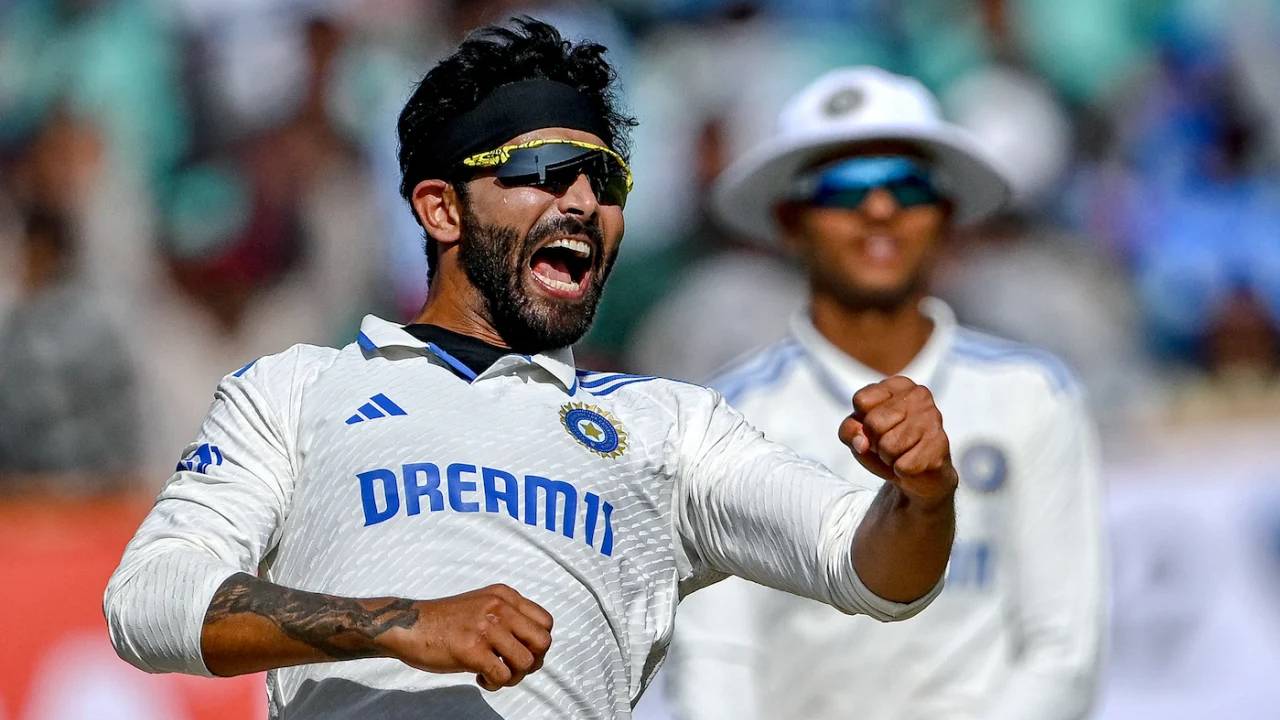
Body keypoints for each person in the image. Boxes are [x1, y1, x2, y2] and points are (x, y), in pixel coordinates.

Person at [104, 21, 962, 720]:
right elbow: (148, 600)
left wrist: (922, 496)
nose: (583, 201)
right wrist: (398, 623)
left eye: (605, 178)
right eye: (545, 171)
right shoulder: (295, 389)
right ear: (441, 209)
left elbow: (874, 570)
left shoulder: (672, 426)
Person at [663, 67, 1107, 720]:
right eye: (842, 189)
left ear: (946, 214)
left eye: (908, 185)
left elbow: (1063, 650)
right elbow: (716, 658)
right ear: (790, 221)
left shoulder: (1034, 395)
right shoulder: (721, 417)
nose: (879, 209)